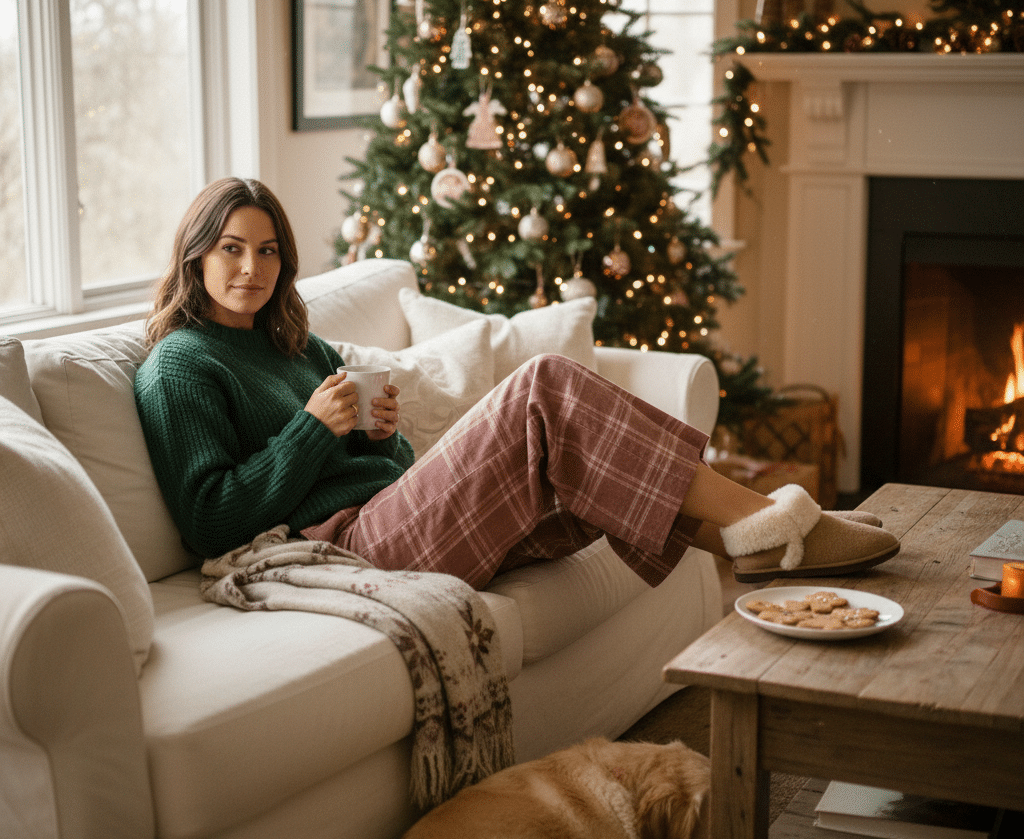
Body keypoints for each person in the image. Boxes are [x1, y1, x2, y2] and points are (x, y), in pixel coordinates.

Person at [134, 177, 900, 592]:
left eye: (268, 251)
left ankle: (756, 544)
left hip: (389, 514)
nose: (252, 268)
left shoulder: (296, 343)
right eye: (231, 248)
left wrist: (379, 433)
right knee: (547, 387)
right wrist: (313, 429)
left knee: (585, 464)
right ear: (196, 255)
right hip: (342, 549)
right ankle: (769, 523)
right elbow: (210, 520)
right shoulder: (181, 366)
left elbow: (390, 466)